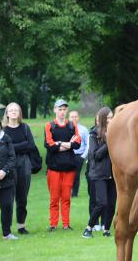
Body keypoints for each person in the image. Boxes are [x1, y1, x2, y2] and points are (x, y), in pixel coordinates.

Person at [44, 99, 81, 231]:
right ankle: (53, 224)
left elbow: (77, 144)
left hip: (69, 168)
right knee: (54, 198)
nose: (62, 112)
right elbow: (49, 145)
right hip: (53, 168)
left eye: (64, 109)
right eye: (59, 109)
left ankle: (66, 224)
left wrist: (60, 143)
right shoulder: (49, 126)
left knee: (66, 198)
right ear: (55, 110)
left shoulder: (72, 125)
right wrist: (67, 144)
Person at [2, 102, 36, 234]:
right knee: (8, 198)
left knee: (22, 197)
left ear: (20, 112)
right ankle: (8, 228)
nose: (14, 112)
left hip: (24, 164)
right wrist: (22, 145)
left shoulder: (25, 128)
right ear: (7, 113)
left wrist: (13, 146)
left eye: (16, 110)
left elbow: (31, 146)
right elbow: (4, 149)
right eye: (11, 110)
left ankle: (21, 226)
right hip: (9, 165)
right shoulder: (3, 130)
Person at [82, 107, 116, 238]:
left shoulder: (114, 132)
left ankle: (106, 230)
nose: (110, 120)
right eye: (108, 117)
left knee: (112, 204)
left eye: (112, 117)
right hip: (99, 174)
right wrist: (108, 143)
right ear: (102, 119)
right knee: (102, 203)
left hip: (113, 174)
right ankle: (88, 228)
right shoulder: (93, 134)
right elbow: (95, 155)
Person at [69, 110, 89, 198]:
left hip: (79, 155)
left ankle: (74, 193)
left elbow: (88, 144)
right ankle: (67, 191)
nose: (74, 118)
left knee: (76, 174)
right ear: (69, 118)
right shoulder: (66, 129)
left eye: (75, 116)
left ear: (78, 117)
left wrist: (83, 156)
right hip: (68, 154)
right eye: (72, 116)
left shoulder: (84, 130)